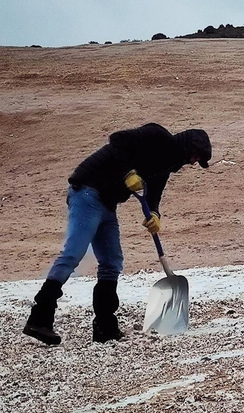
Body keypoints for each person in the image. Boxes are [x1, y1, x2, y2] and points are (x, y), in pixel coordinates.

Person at [23, 124, 211, 345]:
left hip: (107, 203)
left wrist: (154, 214)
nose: (192, 162)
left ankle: (105, 327)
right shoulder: (156, 136)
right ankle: (40, 318)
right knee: (73, 255)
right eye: (195, 156)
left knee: (112, 262)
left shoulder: (165, 167)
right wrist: (128, 172)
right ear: (187, 146)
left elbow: (153, 194)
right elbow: (118, 139)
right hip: (87, 191)